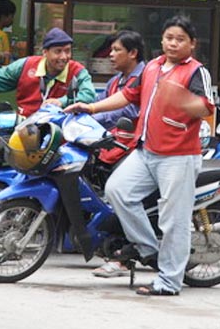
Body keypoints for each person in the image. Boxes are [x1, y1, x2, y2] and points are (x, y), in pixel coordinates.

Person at [65, 15, 214, 296]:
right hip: (146, 150)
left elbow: (206, 107)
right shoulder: (153, 67)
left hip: (178, 156)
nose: (173, 43)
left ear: (191, 44)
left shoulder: (196, 71)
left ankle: (169, 282)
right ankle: (149, 250)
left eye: (180, 39)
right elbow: (129, 96)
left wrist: (180, 99)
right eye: (169, 37)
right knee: (117, 191)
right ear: (162, 40)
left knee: (174, 220)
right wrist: (92, 108)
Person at [88, 30, 145, 279]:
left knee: (121, 194)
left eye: (116, 50)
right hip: (113, 145)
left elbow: (129, 108)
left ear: (133, 53)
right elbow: (102, 100)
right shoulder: (117, 80)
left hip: (135, 148)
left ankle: (125, 253)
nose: (110, 55)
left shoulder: (142, 76)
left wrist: (91, 114)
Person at [0, 27, 96, 116]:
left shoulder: (78, 71)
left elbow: (89, 95)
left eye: (68, 51)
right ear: (45, 52)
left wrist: (61, 102)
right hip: (25, 131)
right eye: (58, 51)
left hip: (61, 135)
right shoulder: (26, 65)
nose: (64, 57)